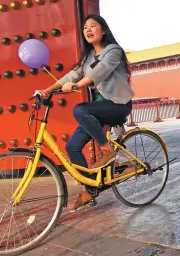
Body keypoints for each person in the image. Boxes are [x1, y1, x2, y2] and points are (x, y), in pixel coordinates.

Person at [38, 14, 135, 211]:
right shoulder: (88, 57)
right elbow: (73, 74)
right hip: (99, 110)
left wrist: (78, 84)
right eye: (85, 28)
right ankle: (90, 189)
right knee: (72, 146)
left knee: (80, 110)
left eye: (93, 26)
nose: (88, 30)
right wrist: (48, 89)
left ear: (104, 30)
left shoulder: (113, 51)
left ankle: (106, 150)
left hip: (117, 105)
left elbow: (100, 70)